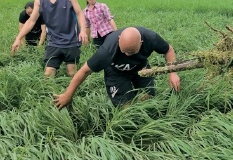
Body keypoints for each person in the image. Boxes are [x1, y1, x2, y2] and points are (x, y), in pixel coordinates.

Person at [53, 27, 181, 109]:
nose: (127, 55)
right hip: (116, 73)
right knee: (124, 108)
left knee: (149, 98)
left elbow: (168, 50)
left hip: (141, 68)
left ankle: (141, 112)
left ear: (141, 43)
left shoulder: (151, 38)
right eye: (124, 51)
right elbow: (84, 71)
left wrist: (173, 73)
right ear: (119, 40)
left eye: (131, 52)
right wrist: (68, 94)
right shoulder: (107, 51)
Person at [11, 0, 88, 77]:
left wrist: (83, 31)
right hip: (53, 42)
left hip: (71, 41)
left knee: (71, 73)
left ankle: (73, 92)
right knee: (48, 74)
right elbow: (31, 21)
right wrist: (18, 38)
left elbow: (79, 13)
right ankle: (49, 93)